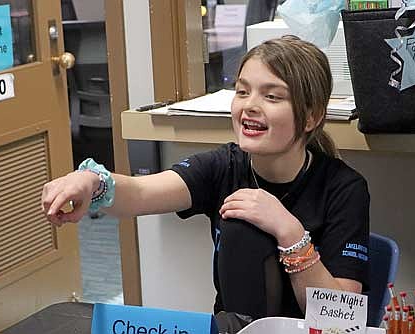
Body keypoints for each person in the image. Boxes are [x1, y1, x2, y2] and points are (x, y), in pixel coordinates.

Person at [41, 35, 369, 321]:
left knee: (244, 228)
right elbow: (140, 192)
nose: (250, 106)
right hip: (231, 328)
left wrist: (289, 230)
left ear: (311, 116)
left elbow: (340, 318)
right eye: (242, 92)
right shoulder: (223, 165)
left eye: (272, 96)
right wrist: (90, 180)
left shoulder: (344, 189)